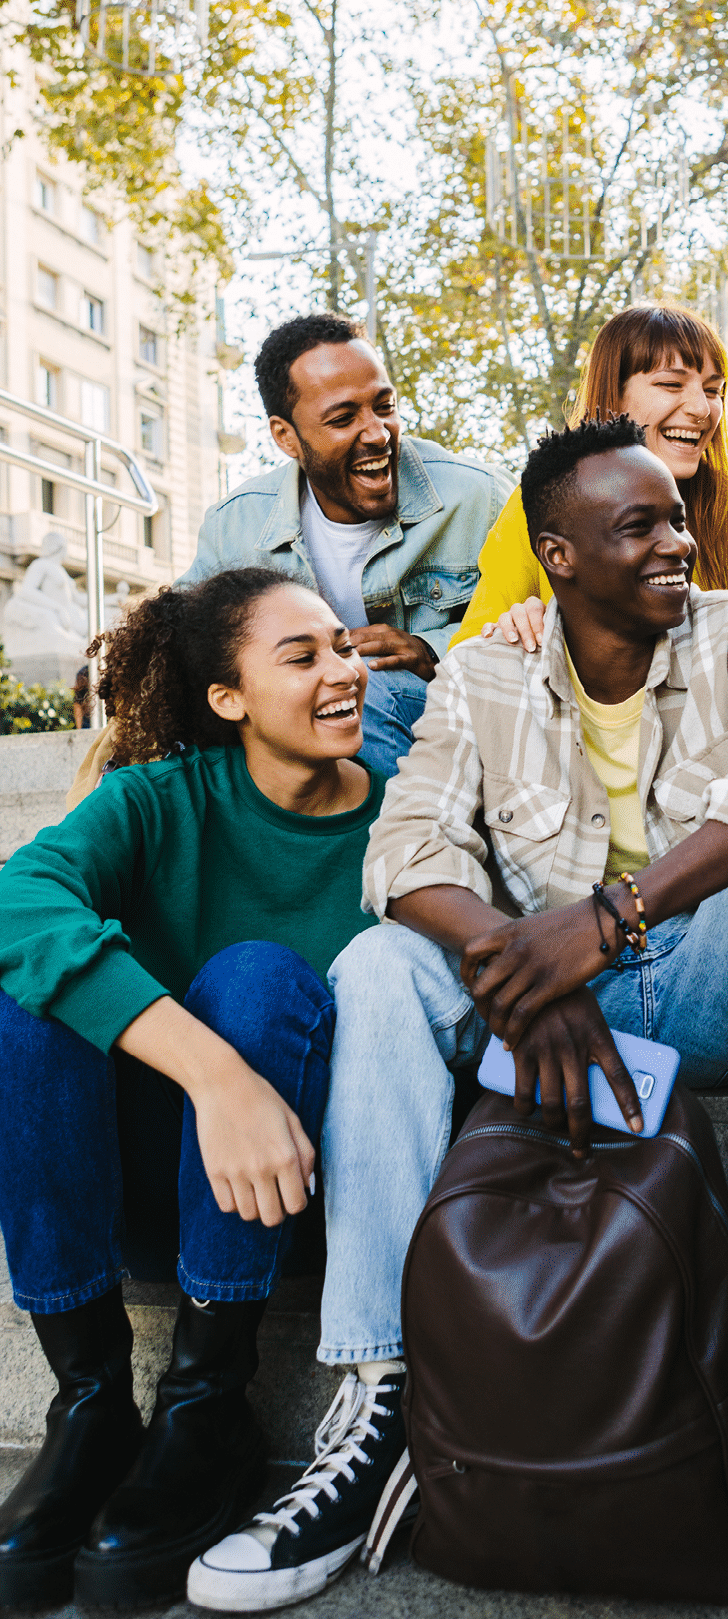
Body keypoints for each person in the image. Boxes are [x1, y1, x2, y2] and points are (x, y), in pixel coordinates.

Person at [187, 414, 728, 1612]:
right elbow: (405, 848)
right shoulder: (487, 672)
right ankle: (378, 1393)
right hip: (551, 990)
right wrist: (527, 969)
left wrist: (605, 921)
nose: (677, 542)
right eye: (640, 525)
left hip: (707, 983)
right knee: (380, 968)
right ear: (556, 553)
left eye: (677, 516)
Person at [0, 569, 387, 1609]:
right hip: (136, 1198)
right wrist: (215, 1073)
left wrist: (252, 1065)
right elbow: (13, 904)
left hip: (298, 1204)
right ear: (228, 699)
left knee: (256, 978)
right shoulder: (158, 801)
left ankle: (206, 1403)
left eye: (343, 646)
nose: (343, 670)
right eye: (301, 656)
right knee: (25, 993)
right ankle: (88, 1402)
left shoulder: (408, 817)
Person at [68, 313, 512, 799]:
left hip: (435, 711)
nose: (378, 434)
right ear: (285, 437)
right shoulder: (236, 526)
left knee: (362, 687)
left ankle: (394, 860)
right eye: (344, 418)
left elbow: (551, 628)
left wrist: (434, 648)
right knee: (137, 752)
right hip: (289, 729)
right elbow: (180, 653)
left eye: (384, 406)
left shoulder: (480, 497)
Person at [451, 302, 728, 651]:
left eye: (713, 389)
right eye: (672, 384)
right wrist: (509, 632)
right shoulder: (539, 502)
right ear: (615, 394)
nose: (702, 409)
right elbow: (467, 653)